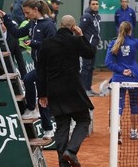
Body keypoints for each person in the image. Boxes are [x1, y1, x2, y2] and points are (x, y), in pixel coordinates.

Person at [38, 15, 96, 167]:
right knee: (84, 120)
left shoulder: (46, 43)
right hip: (73, 90)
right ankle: (71, 151)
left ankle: (63, 164)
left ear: (60, 25)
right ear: (73, 26)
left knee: (62, 126)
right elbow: (90, 53)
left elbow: (40, 71)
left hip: (54, 91)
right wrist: (81, 35)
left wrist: (42, 94)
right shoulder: (75, 40)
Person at [0, 0, 56, 139]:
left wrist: (34, 43)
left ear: (36, 10)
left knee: (42, 97)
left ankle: (48, 129)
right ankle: (31, 109)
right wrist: (5, 17)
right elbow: (17, 33)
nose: (25, 15)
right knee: (28, 80)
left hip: (47, 68)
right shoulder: (32, 23)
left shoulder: (49, 25)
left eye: (27, 12)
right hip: (39, 66)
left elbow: (53, 47)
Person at [105, 21, 138, 144]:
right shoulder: (134, 43)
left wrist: (121, 70)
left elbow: (108, 63)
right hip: (134, 78)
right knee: (134, 104)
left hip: (119, 80)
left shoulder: (113, 43)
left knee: (119, 105)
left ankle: (117, 128)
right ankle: (133, 131)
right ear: (129, 31)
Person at [79, 0, 101, 97]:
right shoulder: (86, 16)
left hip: (94, 46)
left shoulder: (97, 16)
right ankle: (83, 90)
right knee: (86, 67)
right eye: (93, 4)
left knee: (91, 68)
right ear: (89, 5)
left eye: (96, 4)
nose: (95, 6)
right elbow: (80, 30)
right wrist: (84, 43)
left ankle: (89, 88)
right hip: (87, 46)